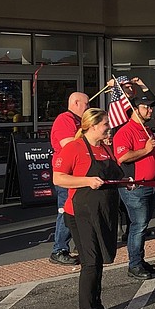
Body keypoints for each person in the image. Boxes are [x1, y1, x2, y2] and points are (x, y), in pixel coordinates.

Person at [53, 109, 124, 309]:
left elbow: (113, 176)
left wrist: (126, 181)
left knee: (99, 262)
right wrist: (86, 181)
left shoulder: (105, 149)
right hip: (80, 213)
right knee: (90, 264)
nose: (108, 127)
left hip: (102, 211)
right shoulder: (74, 148)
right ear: (92, 126)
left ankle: (97, 307)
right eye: (105, 124)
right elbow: (59, 178)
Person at [113, 91, 155, 280]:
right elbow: (122, 157)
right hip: (135, 187)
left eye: (151, 107)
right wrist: (145, 150)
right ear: (135, 109)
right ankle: (134, 264)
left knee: (143, 225)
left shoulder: (146, 129)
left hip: (151, 184)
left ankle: (140, 261)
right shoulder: (125, 131)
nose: (150, 110)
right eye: (146, 107)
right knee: (138, 225)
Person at [49, 91, 88, 265]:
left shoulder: (79, 121)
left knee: (79, 210)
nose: (88, 108)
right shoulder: (65, 119)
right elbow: (69, 143)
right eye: (86, 104)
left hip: (78, 173)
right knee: (65, 210)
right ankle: (59, 249)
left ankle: (78, 244)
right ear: (76, 103)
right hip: (66, 172)